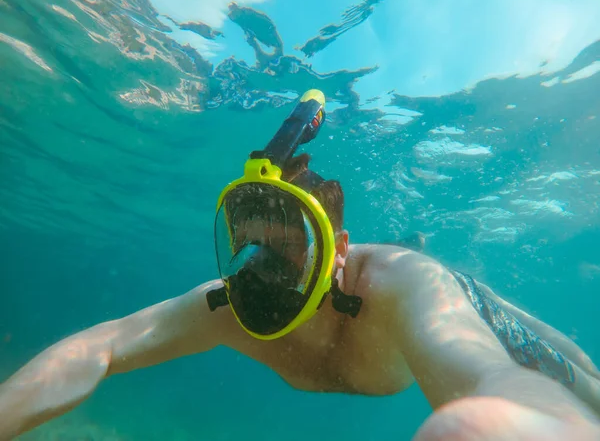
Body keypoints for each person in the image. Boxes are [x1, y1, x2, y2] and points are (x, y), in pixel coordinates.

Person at [1, 90, 600, 441]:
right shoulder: (229, 308)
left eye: (286, 249)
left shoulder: (403, 291)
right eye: (252, 250)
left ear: (336, 251)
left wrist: (524, 419)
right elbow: (101, 347)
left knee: (571, 370)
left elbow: (483, 372)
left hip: (443, 286)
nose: (259, 272)